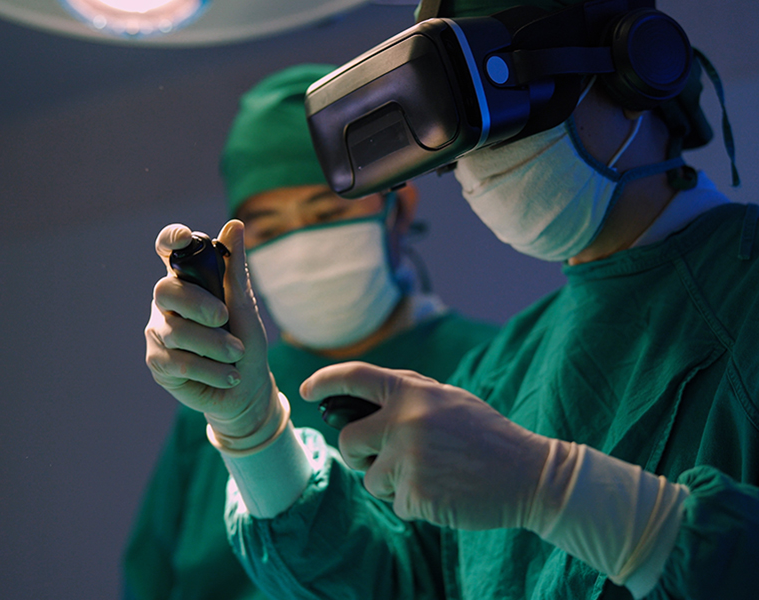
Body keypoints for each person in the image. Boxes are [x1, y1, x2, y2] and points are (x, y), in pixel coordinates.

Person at [148, 1, 759, 599]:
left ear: (641, 67)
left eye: (511, 96)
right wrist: (253, 429)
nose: (487, 153)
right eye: (465, 127)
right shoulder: (499, 375)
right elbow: (396, 583)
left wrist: (551, 489)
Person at [124, 63, 500, 600]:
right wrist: (240, 420)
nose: (301, 246)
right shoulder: (213, 400)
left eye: (326, 213)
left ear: (398, 209)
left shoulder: (497, 367)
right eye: (270, 230)